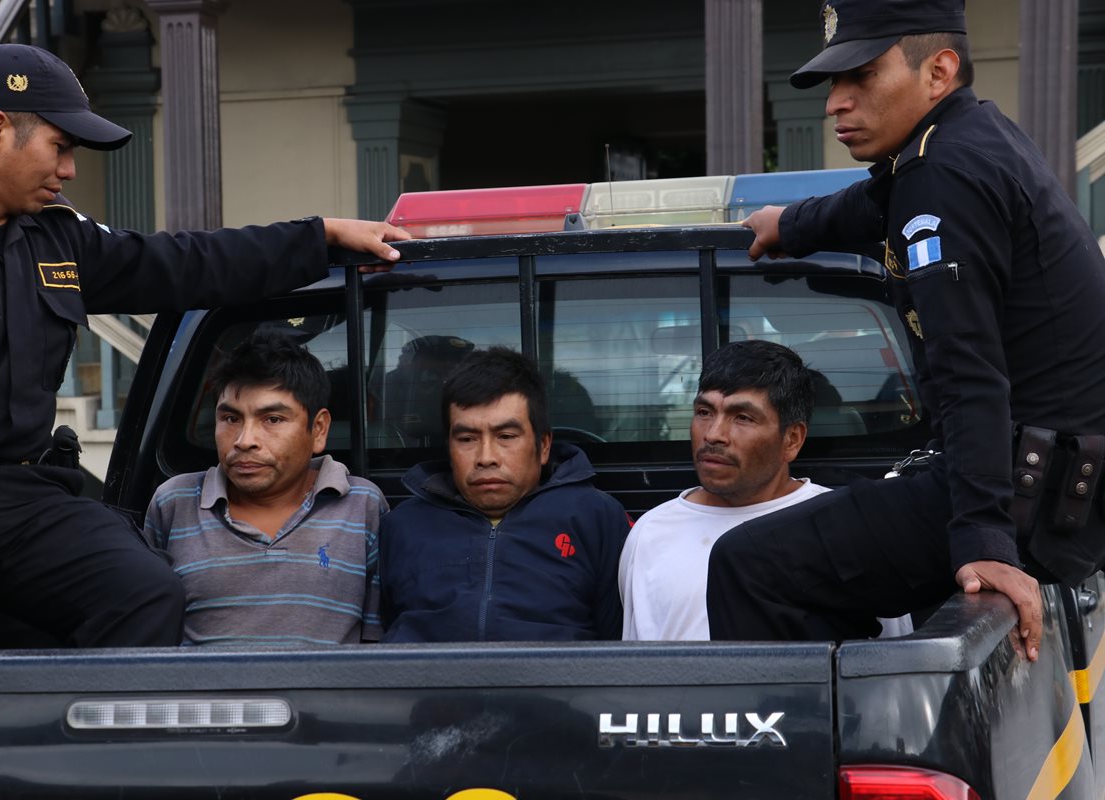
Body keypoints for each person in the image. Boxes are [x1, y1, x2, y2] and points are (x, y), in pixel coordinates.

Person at [0, 43, 408, 651]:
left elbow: (185, 264)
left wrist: (318, 238)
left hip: (25, 496)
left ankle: (109, 745)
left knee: (146, 594)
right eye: (60, 148)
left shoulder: (57, 236)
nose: (68, 170)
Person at [721, 0, 1105, 662]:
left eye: (861, 78)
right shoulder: (972, 136)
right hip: (1059, 482)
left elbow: (969, 371)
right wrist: (794, 224)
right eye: (833, 86)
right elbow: (877, 199)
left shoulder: (942, 174)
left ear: (939, 70)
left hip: (1025, 491)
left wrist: (986, 542)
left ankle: (826, 755)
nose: (836, 104)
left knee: (747, 565)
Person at [619, 340, 912, 641]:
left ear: (792, 440)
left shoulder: (847, 527)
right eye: (704, 412)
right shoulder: (651, 533)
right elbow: (637, 672)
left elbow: (892, 667)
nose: (714, 434)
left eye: (743, 417)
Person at [143, 330, 386, 646]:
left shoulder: (362, 505)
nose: (245, 441)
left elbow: (376, 647)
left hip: (326, 696)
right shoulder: (173, 502)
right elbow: (150, 637)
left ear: (319, 429)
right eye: (230, 418)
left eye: (272, 419)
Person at [378, 347, 630, 642]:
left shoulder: (595, 517)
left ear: (544, 445)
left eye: (506, 437)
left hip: (560, 686)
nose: (486, 457)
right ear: (449, 446)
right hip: (426, 686)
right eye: (467, 439)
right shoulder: (403, 526)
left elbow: (617, 645)